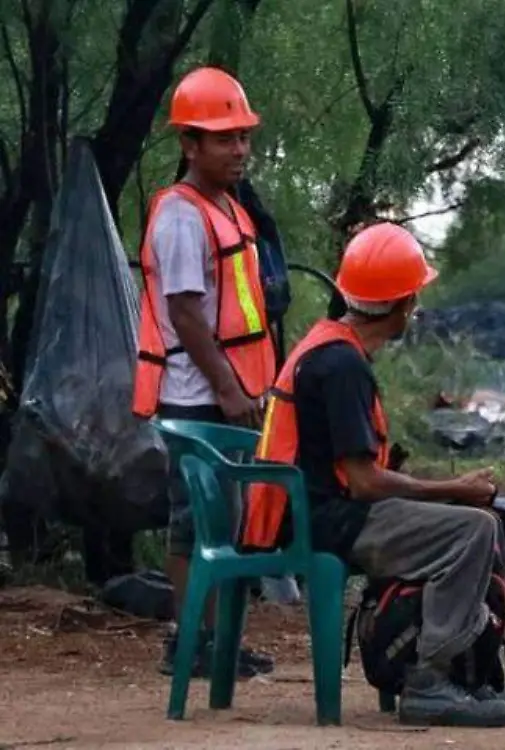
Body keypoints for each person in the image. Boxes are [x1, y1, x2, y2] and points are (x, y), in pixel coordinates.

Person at [239, 222, 505, 728]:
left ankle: (466, 670)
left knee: (469, 518)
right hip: (329, 521)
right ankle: (431, 679)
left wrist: (444, 497)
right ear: (404, 305)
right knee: (476, 527)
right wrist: (453, 491)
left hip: (319, 509)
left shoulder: (328, 346)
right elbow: (364, 482)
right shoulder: (344, 367)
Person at [132, 65, 278, 678]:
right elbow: (186, 315)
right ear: (189, 145)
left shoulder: (227, 207)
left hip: (233, 393)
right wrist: (227, 388)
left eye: (243, 136)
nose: (239, 149)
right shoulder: (182, 215)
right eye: (224, 138)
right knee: (194, 524)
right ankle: (187, 642)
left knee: (225, 522)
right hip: (199, 397)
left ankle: (216, 640)